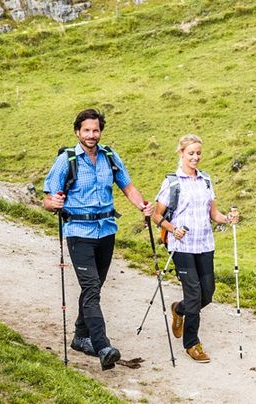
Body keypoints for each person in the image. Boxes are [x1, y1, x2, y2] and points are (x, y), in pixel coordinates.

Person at [42, 108, 152, 370]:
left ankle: (81, 338)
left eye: (96, 130)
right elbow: (47, 199)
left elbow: (128, 187)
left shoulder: (110, 157)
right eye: (87, 130)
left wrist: (142, 206)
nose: (91, 135)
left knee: (95, 287)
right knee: (91, 287)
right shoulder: (66, 160)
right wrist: (52, 202)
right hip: (78, 232)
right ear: (77, 132)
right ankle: (102, 346)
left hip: (106, 230)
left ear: (100, 131)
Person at [152, 134, 240, 363]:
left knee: (207, 294)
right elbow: (157, 215)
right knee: (193, 294)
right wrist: (172, 229)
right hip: (182, 246)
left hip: (205, 244)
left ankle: (179, 310)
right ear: (181, 153)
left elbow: (214, 214)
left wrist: (228, 219)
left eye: (198, 153)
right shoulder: (172, 182)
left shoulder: (206, 180)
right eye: (191, 153)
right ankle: (192, 343)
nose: (195, 157)